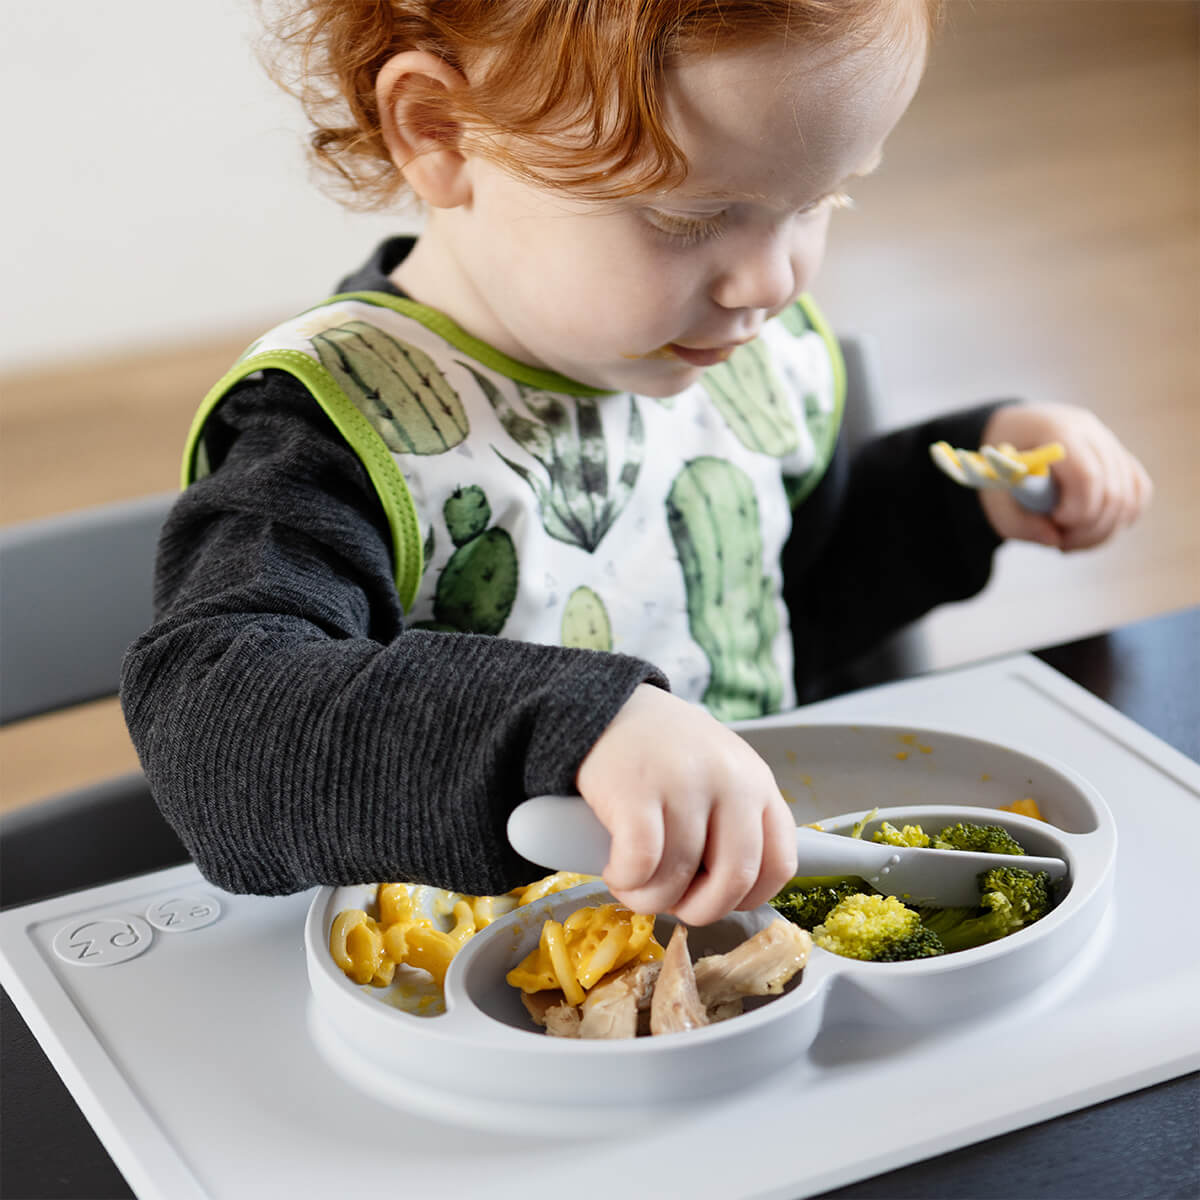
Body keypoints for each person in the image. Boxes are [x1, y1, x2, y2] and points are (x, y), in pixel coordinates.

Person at [120, 0, 1150, 928]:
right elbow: (210, 726)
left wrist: (955, 500)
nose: (770, 281)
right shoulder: (338, 428)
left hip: (748, 947)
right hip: (478, 996)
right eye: (687, 218)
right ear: (440, 130)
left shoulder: (731, 356)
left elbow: (771, 611)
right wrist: (575, 729)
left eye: (822, 201)